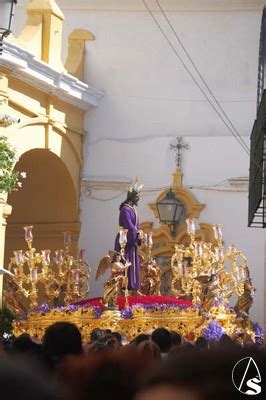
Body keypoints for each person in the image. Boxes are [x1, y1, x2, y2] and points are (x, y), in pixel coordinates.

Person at [115, 181, 143, 292]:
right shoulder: (125, 210)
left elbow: (137, 225)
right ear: (132, 197)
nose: (138, 198)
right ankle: (125, 287)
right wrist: (136, 233)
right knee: (126, 261)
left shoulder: (133, 210)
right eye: (137, 196)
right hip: (125, 240)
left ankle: (134, 287)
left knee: (133, 262)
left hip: (131, 240)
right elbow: (129, 226)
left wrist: (140, 232)